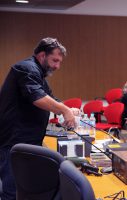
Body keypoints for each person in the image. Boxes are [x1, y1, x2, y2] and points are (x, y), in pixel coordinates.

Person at [0, 37, 78, 200]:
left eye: (59, 62)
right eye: (55, 60)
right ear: (42, 55)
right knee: (12, 191)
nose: (57, 66)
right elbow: (37, 97)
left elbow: (49, 97)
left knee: (24, 188)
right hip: (14, 142)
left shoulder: (37, 73)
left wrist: (68, 110)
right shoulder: (26, 68)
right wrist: (64, 110)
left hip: (26, 140)